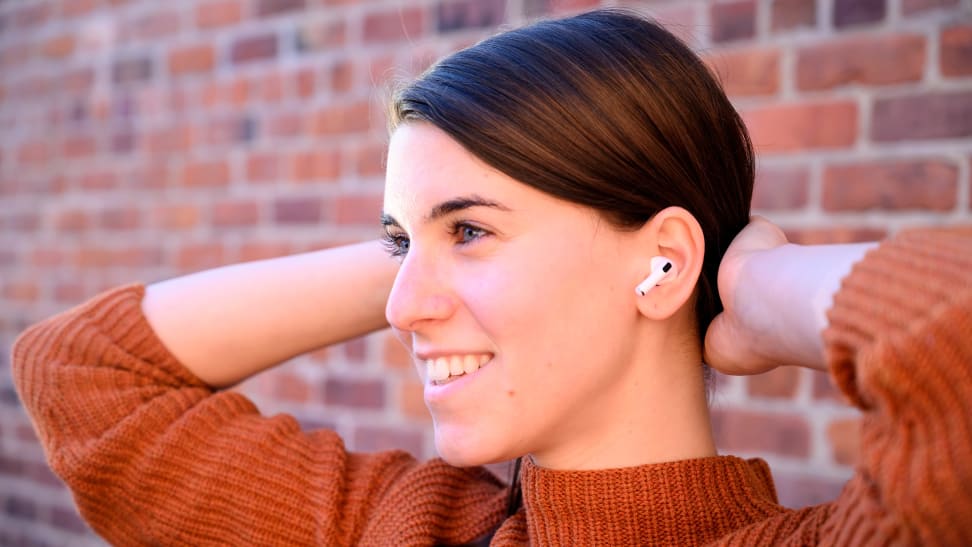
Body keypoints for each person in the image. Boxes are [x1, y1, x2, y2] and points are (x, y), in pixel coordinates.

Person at [11, 8, 972, 546]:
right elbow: (81, 374)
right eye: (397, 244)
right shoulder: (394, 527)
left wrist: (757, 287)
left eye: (471, 228)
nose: (400, 307)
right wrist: (422, 249)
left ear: (666, 256)